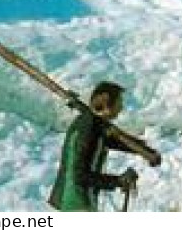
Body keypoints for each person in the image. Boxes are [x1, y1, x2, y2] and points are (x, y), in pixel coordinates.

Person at [48, 81, 159, 211]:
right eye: (119, 103)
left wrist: (145, 151)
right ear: (107, 105)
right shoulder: (89, 129)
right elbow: (80, 175)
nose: (121, 107)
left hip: (72, 199)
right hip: (76, 202)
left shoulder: (90, 123)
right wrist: (118, 181)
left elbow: (113, 141)